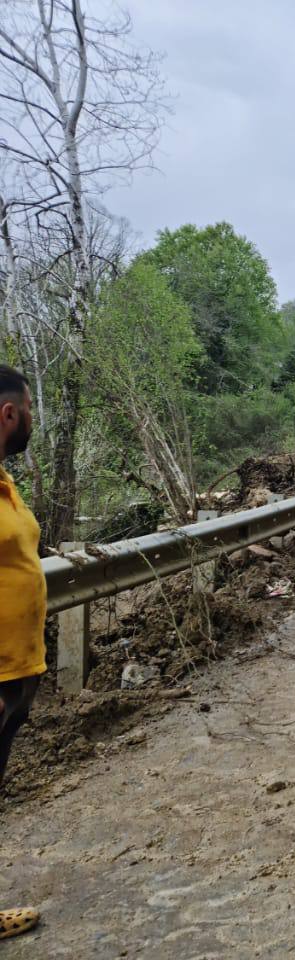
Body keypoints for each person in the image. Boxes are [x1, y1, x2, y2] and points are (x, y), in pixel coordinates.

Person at [0, 366, 44, 941]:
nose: (33, 417)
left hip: (16, 669)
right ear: (8, 414)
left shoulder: (6, 483)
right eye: (30, 407)